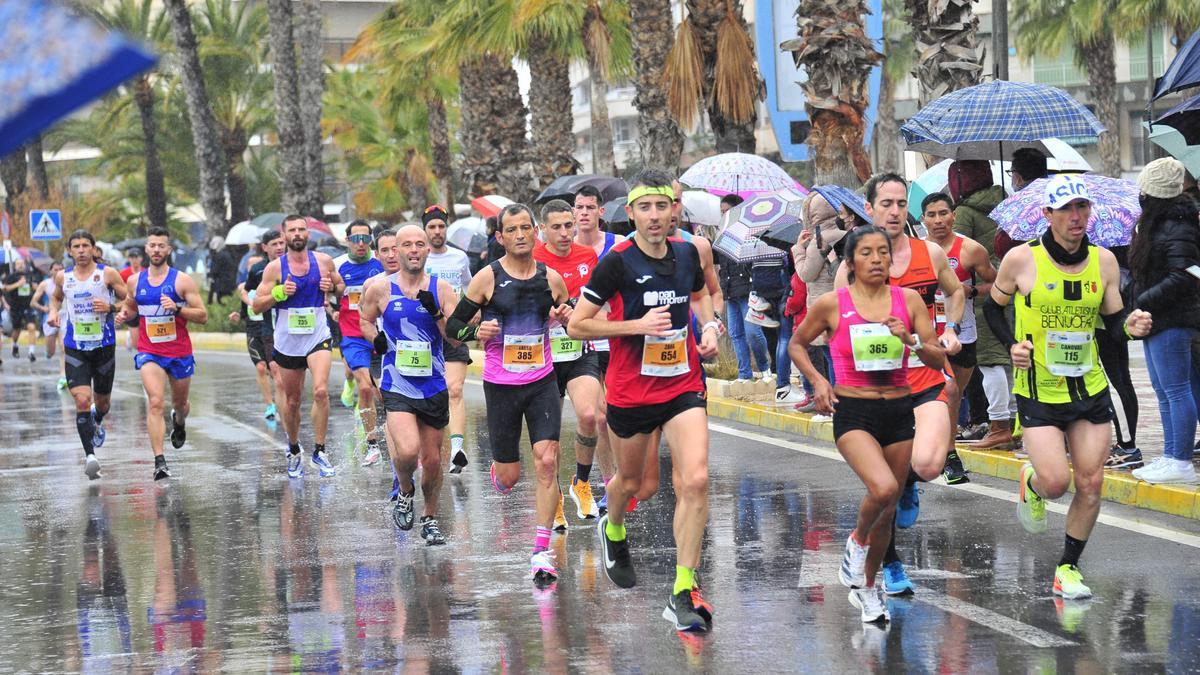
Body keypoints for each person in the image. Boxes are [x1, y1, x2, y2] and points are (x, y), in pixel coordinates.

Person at [985, 173, 1152, 600]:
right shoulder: (1021, 260)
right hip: (1039, 389)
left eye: (1082, 208)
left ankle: (1068, 568)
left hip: (1088, 387)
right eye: (1066, 209)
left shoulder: (1105, 262)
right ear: (1047, 214)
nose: (1077, 217)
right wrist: (1012, 346)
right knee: (1057, 482)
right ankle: (1034, 483)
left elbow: (1113, 324)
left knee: (1092, 482)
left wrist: (1130, 326)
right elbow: (991, 307)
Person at [568, 170, 720, 632]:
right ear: (630, 213)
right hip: (632, 390)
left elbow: (701, 297)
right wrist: (636, 326)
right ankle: (612, 526)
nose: (655, 216)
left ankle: (682, 589)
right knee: (634, 483)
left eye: (662, 206)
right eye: (645, 208)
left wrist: (710, 327)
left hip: (683, 384)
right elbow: (578, 325)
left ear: (674, 209)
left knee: (695, 479)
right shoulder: (617, 261)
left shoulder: (689, 252)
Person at [790, 225, 944, 623]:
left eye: (882, 252)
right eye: (867, 253)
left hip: (897, 411)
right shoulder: (831, 303)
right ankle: (855, 546)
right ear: (851, 262)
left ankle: (869, 589)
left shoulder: (907, 300)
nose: (876, 259)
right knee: (884, 487)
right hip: (854, 412)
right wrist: (820, 381)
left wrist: (908, 339)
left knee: (887, 510)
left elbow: (936, 359)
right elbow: (797, 343)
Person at [836, 174, 965, 595]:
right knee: (883, 490)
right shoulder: (851, 265)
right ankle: (889, 566)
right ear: (869, 209)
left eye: (899, 203)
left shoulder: (929, 252)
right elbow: (833, 327)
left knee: (928, 465)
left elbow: (955, 292)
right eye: (885, 203)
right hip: (877, 391)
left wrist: (950, 328)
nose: (893, 211)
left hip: (924, 376)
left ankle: (911, 482)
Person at [445, 203, 573, 585]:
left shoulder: (552, 279)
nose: (519, 235)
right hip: (501, 386)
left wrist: (565, 318)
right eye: (511, 230)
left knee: (547, 460)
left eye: (525, 228)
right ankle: (499, 471)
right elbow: (453, 326)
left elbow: (568, 318)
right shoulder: (487, 278)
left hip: (541, 382)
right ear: (500, 238)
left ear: (536, 232)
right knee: (510, 476)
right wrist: (475, 333)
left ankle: (540, 550)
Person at [359, 225, 459, 545]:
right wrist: (375, 338)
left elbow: (455, 336)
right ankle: (405, 488)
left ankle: (429, 517)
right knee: (408, 450)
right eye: (407, 245)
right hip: (397, 382)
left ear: (428, 250)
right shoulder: (379, 288)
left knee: (431, 461)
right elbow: (363, 318)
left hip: (433, 384)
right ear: (396, 251)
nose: (414, 250)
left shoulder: (442, 289)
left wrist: (436, 311)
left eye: (420, 244)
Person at [252, 215, 345, 479]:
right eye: (292, 230)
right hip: (288, 340)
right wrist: (280, 293)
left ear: (308, 234)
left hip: (317, 334)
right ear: (284, 235)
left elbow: (341, 286)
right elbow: (257, 305)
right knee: (292, 401)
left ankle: (320, 449)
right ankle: (293, 449)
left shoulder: (323, 262)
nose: (297, 234)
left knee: (321, 391)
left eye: (301, 229)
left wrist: (333, 287)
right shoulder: (275, 269)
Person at [1128, 158, 1200, 484]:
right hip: (1156, 319)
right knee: (1163, 389)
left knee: (1176, 389)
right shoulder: (1156, 224)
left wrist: (1144, 300)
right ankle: (1171, 454)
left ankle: (1180, 460)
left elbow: (1186, 275)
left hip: (1173, 319)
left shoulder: (1179, 224)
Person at [115, 227, 207, 480]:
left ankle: (179, 422)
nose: (156, 250)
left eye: (161, 246)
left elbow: (202, 315)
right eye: (152, 245)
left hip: (179, 352)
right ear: (147, 248)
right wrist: (124, 315)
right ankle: (159, 461)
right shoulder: (135, 281)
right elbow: (131, 306)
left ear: (168, 249)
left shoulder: (181, 281)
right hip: (149, 351)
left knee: (179, 404)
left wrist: (178, 309)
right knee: (155, 402)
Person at [533, 199, 603, 526]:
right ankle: (556, 496)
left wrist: (579, 312)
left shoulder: (587, 256)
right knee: (551, 435)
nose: (564, 233)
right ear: (542, 229)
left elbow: (597, 300)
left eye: (568, 225)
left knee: (590, 415)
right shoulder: (532, 259)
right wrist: (548, 313)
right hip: (543, 355)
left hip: (578, 348)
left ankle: (582, 482)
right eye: (556, 227)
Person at [48, 229, 129, 480]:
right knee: (82, 400)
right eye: (76, 246)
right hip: (75, 347)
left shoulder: (107, 274)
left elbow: (131, 300)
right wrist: (53, 312)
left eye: (86, 245)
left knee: (102, 403)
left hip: (104, 346)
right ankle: (90, 457)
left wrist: (112, 307)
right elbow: (56, 298)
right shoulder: (64, 277)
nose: (81, 250)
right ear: (70, 251)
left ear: (94, 249)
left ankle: (97, 417)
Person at [922, 193, 997, 457]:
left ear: (954, 216)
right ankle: (942, 444)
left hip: (963, 331)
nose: (938, 220)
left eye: (943, 213)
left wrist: (972, 291)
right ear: (923, 220)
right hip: (927, 332)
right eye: (931, 215)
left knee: (956, 392)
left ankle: (947, 445)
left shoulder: (971, 249)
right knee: (942, 389)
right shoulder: (917, 251)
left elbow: (998, 284)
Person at [572, 185, 621, 512]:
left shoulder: (618, 247)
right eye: (580, 207)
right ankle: (609, 483)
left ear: (601, 212)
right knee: (600, 418)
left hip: (619, 340)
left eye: (591, 207)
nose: (585, 212)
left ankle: (624, 475)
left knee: (620, 415)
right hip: (584, 346)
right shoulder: (566, 249)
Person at [421, 205, 474, 473]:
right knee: (433, 395)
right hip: (424, 336)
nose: (437, 231)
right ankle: (429, 450)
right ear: (425, 230)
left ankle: (456, 449)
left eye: (441, 226)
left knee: (454, 390)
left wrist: (473, 314)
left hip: (452, 333)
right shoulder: (419, 259)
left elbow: (471, 288)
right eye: (432, 227)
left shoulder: (459, 258)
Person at [333, 220, 386, 466]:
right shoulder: (337, 267)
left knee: (383, 394)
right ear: (347, 240)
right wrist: (331, 303)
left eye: (366, 238)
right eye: (356, 239)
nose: (361, 243)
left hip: (380, 334)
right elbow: (326, 296)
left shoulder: (381, 265)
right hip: (353, 335)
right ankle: (372, 444)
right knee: (365, 388)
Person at [718, 195, 772, 385]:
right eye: (721, 212)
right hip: (730, 291)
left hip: (749, 291)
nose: (723, 215)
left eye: (727, 211)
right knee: (735, 334)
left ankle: (765, 368)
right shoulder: (722, 234)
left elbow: (757, 261)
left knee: (752, 332)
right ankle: (744, 374)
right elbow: (718, 260)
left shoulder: (749, 233)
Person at [236, 230, 285, 420]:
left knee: (283, 377)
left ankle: (288, 408)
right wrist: (246, 309)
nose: (279, 247)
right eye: (274, 244)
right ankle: (271, 406)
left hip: (290, 327)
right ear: (265, 247)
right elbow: (246, 292)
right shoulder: (257, 270)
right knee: (265, 369)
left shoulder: (293, 265)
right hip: (263, 327)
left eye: (281, 243)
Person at [31, 261, 67, 388]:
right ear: (50, 271)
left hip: (64, 315)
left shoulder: (68, 280)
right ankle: (49, 352)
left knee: (63, 347)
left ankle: (63, 376)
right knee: (51, 350)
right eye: (55, 269)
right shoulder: (45, 284)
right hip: (50, 316)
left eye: (60, 269)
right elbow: (33, 302)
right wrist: (43, 308)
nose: (58, 272)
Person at [2, 257, 38, 361]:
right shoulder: (11, 277)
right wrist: (18, 284)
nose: (21, 265)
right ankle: (15, 345)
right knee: (17, 329)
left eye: (22, 263)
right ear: (15, 265)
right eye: (18, 264)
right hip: (16, 306)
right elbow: (6, 288)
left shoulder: (29, 275)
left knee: (31, 327)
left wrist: (35, 287)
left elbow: (35, 287)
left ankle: (31, 352)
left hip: (28, 305)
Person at [119, 248, 144, 351]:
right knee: (136, 345)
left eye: (136, 257)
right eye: (132, 257)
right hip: (131, 307)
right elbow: (119, 291)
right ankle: (131, 336)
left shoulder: (146, 272)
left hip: (144, 308)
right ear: (129, 259)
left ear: (141, 258)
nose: (134, 259)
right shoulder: (123, 274)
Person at [207, 237, 236, 304]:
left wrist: (211, 275)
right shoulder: (226, 254)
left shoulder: (220, 255)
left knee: (222, 302)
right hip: (228, 282)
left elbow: (215, 270)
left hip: (223, 283)